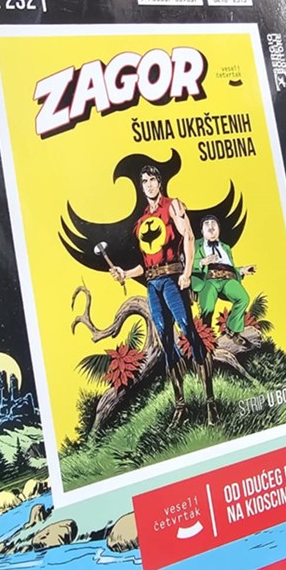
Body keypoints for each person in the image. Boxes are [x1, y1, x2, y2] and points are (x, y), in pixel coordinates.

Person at [111, 165, 216, 424]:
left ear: (159, 182)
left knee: (188, 330)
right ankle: (181, 406)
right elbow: (145, 264)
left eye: (152, 179)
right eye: (144, 181)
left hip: (172, 278)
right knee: (166, 340)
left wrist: (187, 273)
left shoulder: (173, 206)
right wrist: (125, 273)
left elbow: (188, 236)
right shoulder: (141, 222)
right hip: (153, 284)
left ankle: (209, 401)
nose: (148, 184)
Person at [190, 215, 256, 348]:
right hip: (208, 280)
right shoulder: (195, 245)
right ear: (202, 231)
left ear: (219, 229)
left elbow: (230, 267)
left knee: (243, 298)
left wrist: (242, 270)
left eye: (213, 224)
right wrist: (202, 262)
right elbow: (187, 264)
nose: (211, 227)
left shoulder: (226, 247)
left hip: (227, 280)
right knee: (208, 307)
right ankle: (205, 339)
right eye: (207, 224)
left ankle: (233, 330)